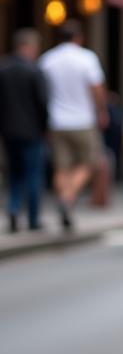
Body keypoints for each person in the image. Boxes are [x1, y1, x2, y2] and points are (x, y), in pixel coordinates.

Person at [38, 21, 107, 231]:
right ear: (78, 37)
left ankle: (64, 198)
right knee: (89, 162)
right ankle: (68, 198)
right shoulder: (86, 58)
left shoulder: (47, 60)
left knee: (61, 167)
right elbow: (96, 88)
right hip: (82, 120)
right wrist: (101, 111)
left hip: (56, 121)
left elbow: (42, 91)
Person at [0, 29, 49, 232]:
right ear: (27, 47)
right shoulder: (34, 71)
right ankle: (33, 218)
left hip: (8, 131)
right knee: (33, 174)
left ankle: (13, 207)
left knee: (14, 173)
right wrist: (45, 128)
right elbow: (42, 103)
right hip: (32, 132)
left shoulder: (3, 69)